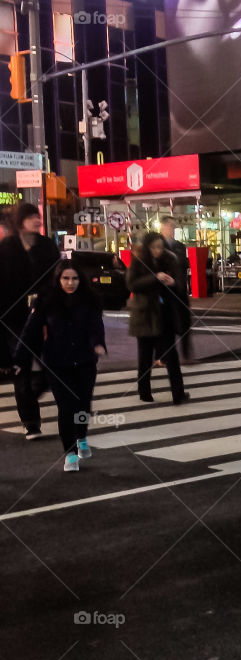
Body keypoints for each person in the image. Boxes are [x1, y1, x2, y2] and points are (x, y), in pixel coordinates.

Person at [16, 262, 106, 472]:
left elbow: (96, 326)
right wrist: (19, 359)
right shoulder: (46, 301)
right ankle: (70, 454)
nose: (70, 283)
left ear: (80, 279)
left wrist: (98, 344)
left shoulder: (90, 300)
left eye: (74, 278)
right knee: (66, 408)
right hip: (57, 362)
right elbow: (30, 331)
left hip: (85, 361)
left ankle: (81, 435)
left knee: (83, 405)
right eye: (66, 278)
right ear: (58, 279)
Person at [0, 202, 61, 438]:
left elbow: (56, 276)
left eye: (38, 216)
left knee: (53, 364)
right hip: (15, 319)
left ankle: (33, 391)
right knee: (22, 369)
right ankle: (31, 422)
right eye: (32, 216)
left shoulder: (46, 246)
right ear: (21, 221)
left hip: (45, 314)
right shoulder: (7, 247)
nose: (37, 219)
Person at [126, 232, 190, 405]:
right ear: (147, 248)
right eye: (154, 247)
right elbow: (131, 284)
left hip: (164, 315)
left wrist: (172, 283)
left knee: (172, 357)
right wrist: (154, 278)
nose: (157, 251)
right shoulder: (138, 261)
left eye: (160, 247)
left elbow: (180, 284)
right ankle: (144, 391)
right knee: (144, 356)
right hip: (145, 315)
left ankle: (178, 394)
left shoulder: (170, 260)